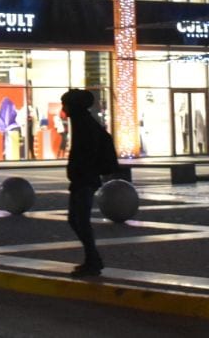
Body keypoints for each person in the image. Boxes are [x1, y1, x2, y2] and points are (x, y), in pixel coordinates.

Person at [61, 88, 117, 277]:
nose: (64, 109)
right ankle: (92, 258)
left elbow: (86, 153)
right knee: (77, 219)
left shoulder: (84, 123)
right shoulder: (82, 121)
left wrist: (79, 172)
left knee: (80, 219)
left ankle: (93, 260)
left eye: (65, 104)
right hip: (83, 178)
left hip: (85, 179)